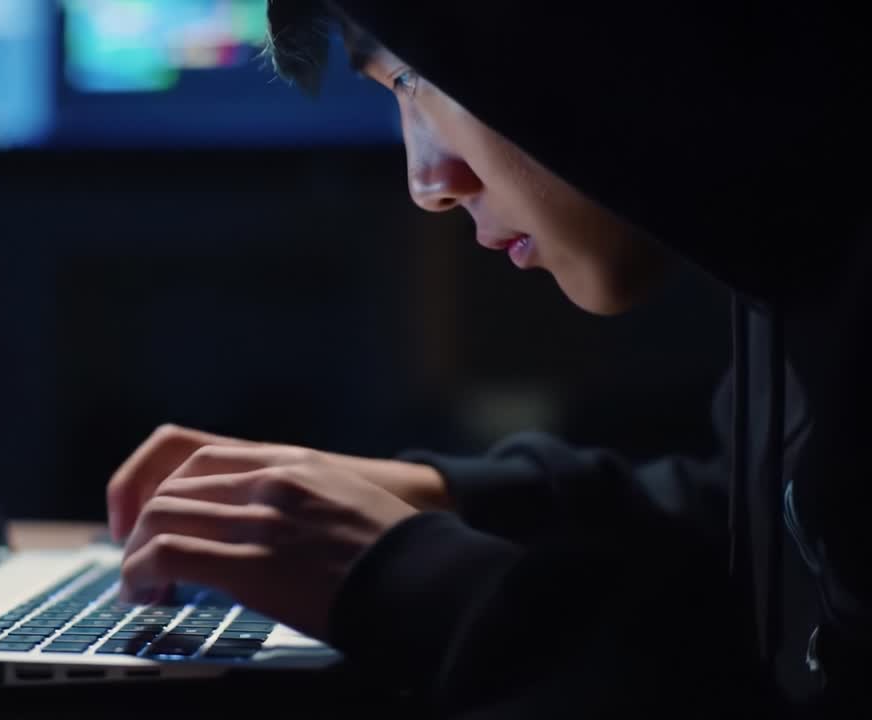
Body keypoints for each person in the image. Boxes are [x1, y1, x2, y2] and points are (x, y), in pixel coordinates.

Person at [106, 1, 871, 716]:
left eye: (418, 76)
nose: (428, 183)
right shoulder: (803, 248)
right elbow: (750, 533)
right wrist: (443, 497)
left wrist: (417, 581)